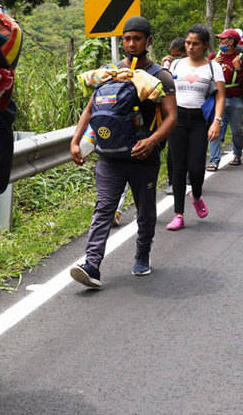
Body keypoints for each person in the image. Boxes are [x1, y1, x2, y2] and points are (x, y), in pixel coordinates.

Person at [68, 16, 178, 288]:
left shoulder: (159, 76)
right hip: (109, 156)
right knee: (104, 207)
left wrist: (152, 141)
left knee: (145, 211)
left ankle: (142, 254)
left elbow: (171, 117)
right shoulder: (112, 72)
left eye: (137, 38)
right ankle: (92, 264)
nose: (130, 44)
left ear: (148, 41)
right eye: (127, 38)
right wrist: (76, 140)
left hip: (143, 157)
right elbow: (91, 109)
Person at [167, 24, 225, 231]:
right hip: (177, 119)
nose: (190, 47)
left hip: (200, 120)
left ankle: (197, 195)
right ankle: (178, 214)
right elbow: (166, 91)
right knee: (178, 168)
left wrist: (217, 121)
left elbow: (220, 96)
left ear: (205, 45)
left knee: (197, 167)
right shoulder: (176, 65)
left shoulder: (212, 67)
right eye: (188, 43)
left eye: (195, 44)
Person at [207, 28, 243, 169]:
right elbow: (205, 77)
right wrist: (212, 64)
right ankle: (214, 161)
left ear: (231, 42)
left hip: (236, 98)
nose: (220, 41)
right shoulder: (215, 56)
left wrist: (238, 69)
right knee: (216, 128)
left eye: (223, 39)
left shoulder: (242, 59)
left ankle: (237, 154)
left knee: (236, 129)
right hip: (218, 98)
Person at [162, 37, 187, 195]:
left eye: (178, 56)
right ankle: (173, 181)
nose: (175, 58)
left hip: (192, 113)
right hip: (174, 111)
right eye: (173, 56)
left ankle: (190, 175)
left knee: (189, 148)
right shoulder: (172, 66)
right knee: (172, 150)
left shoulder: (198, 66)